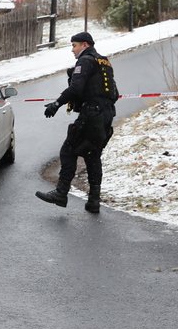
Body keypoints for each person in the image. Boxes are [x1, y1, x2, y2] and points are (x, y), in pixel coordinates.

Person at [36, 31, 119, 213]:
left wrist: (57, 104)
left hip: (91, 115)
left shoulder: (86, 61)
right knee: (92, 155)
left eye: (74, 45)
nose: (72, 50)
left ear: (85, 45)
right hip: (106, 116)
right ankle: (93, 201)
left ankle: (61, 193)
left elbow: (76, 88)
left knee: (68, 151)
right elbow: (115, 93)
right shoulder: (105, 62)